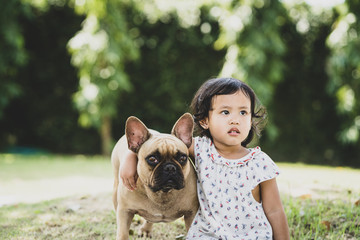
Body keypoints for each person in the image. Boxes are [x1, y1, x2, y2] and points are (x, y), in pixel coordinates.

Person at [120, 77, 290, 240]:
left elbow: (275, 210)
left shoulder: (259, 162)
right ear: (204, 121)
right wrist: (130, 155)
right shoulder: (201, 149)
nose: (235, 120)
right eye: (225, 112)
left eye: (243, 112)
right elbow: (158, 144)